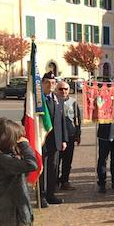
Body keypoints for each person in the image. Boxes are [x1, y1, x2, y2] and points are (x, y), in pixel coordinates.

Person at [0, 118, 38, 226]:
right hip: (10, 211)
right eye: (16, 138)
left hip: (17, 206)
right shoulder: (0, 159)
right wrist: (25, 145)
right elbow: (31, 165)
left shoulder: (5, 155)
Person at [39, 71, 68, 207]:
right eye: (47, 83)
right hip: (42, 140)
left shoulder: (57, 99)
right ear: (42, 83)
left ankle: (51, 194)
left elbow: (61, 122)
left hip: (55, 141)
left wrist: (63, 140)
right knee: (42, 170)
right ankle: (42, 196)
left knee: (53, 169)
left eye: (52, 83)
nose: (50, 85)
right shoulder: (37, 100)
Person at [57, 80, 81, 191]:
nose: (63, 91)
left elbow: (77, 119)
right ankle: (54, 181)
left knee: (67, 161)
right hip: (57, 136)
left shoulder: (73, 102)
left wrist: (78, 134)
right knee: (56, 161)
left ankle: (65, 181)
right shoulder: (54, 101)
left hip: (70, 135)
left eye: (65, 89)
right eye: (60, 89)